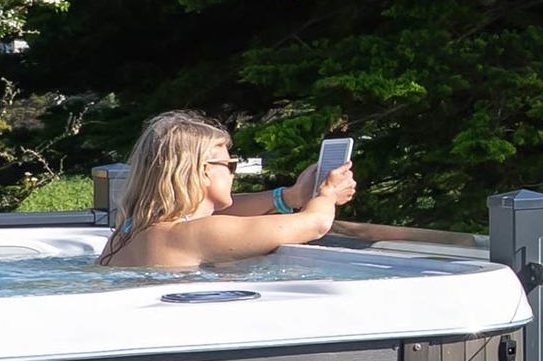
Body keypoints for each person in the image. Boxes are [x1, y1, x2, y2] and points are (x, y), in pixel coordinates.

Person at [96, 110, 357, 268]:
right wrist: (328, 194)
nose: (233, 173)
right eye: (230, 164)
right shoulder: (192, 234)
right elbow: (316, 224)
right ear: (204, 170)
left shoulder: (131, 228)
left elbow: (222, 212)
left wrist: (291, 196)